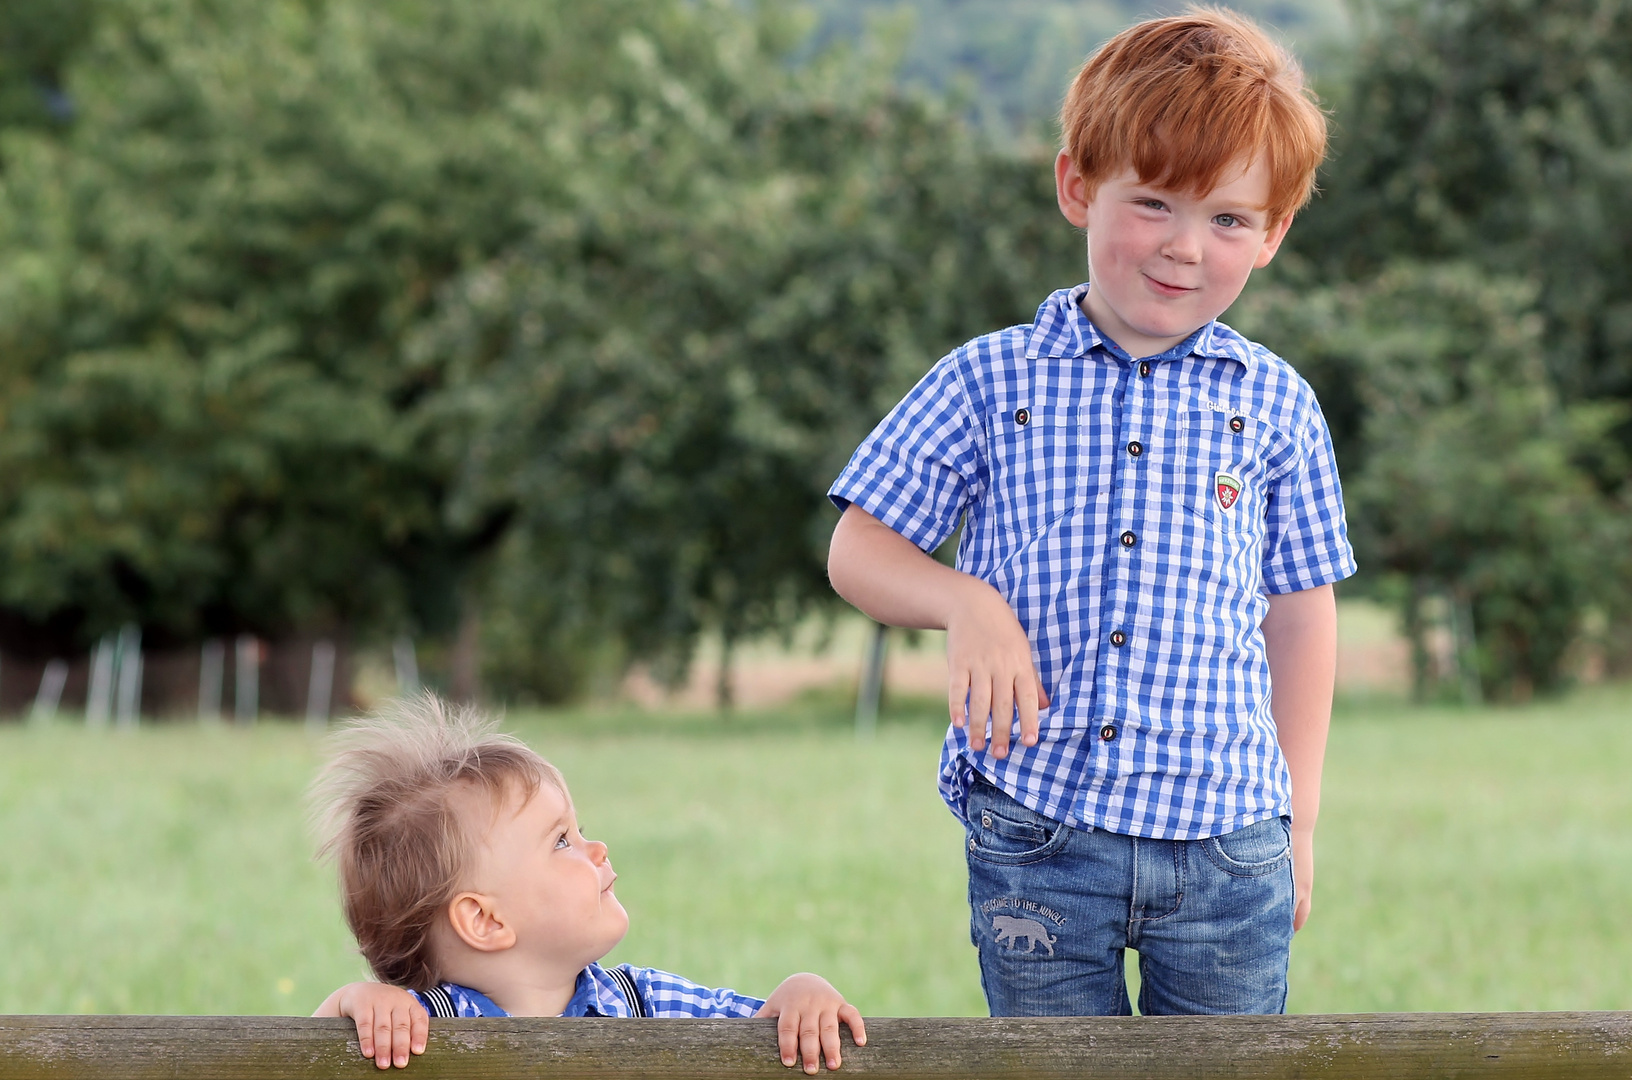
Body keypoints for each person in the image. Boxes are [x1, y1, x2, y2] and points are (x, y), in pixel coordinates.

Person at [825, 8, 1354, 1017]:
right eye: (1153, 203)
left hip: (1231, 845)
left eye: (1230, 219)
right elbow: (859, 547)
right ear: (1078, 186)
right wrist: (966, 599)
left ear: (1275, 233)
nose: (1186, 248)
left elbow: (1301, 611)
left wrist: (1302, 821)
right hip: (1040, 832)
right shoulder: (988, 381)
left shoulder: (1277, 403)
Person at [309, 695, 865, 1071]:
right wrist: (351, 1005)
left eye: (581, 831)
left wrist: (799, 993)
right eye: (561, 842)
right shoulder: (421, 1027)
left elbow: (761, 1029)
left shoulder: (644, 1004)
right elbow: (299, 1061)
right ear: (485, 920)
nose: (596, 850)